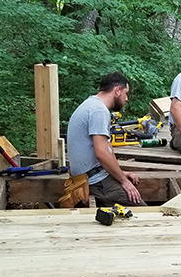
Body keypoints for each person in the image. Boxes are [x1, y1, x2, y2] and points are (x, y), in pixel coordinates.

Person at [62, 72, 146, 208]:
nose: (126, 99)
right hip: (95, 182)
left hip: (89, 177)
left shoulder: (91, 105)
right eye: (126, 93)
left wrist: (120, 173)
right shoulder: (99, 111)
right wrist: (124, 181)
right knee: (144, 212)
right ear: (117, 90)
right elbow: (101, 153)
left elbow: (107, 147)